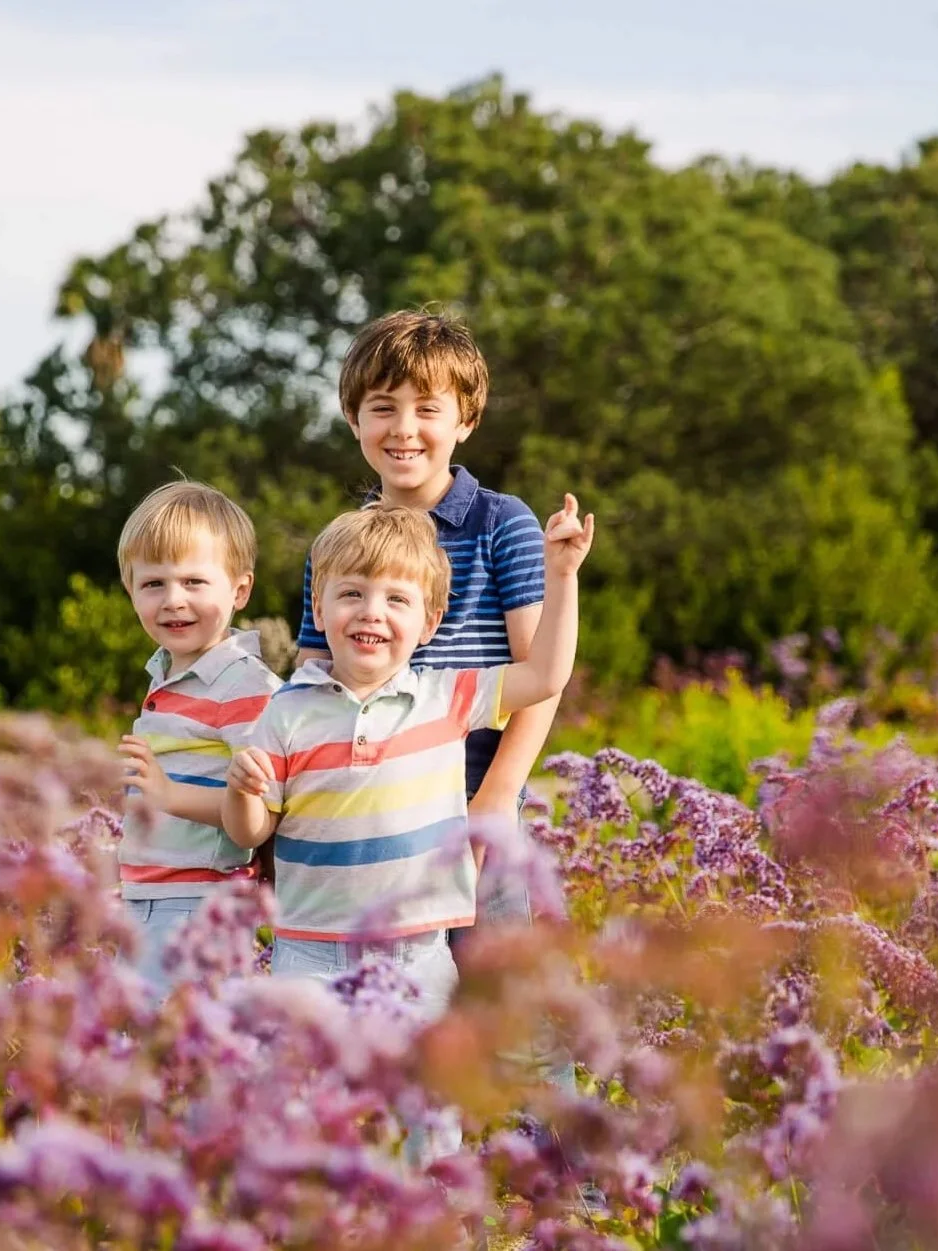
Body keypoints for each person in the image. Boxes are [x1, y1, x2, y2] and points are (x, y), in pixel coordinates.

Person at [222, 497, 594, 1160]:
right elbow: (251, 831)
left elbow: (544, 676)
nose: (371, 612)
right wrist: (245, 791)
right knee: (308, 1115)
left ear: (428, 622)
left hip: (416, 956)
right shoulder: (287, 711)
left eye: (396, 599)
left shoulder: (444, 696)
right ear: (322, 607)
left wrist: (561, 575)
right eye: (352, 593)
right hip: (310, 954)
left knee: (427, 1120)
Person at [293, 310, 557, 942]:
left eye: (428, 410)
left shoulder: (503, 523)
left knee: (495, 991)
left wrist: (495, 800)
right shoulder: (338, 545)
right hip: (368, 793)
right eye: (382, 408)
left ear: (465, 421)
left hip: (473, 790)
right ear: (354, 419)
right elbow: (312, 674)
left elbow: (539, 678)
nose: (404, 429)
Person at [113, 480, 282, 992]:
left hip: (199, 900)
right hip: (153, 895)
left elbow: (265, 806)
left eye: (193, 582)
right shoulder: (166, 673)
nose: (173, 601)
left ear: (239, 590)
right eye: (153, 584)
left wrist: (168, 794)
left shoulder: (244, 684)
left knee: (178, 1048)